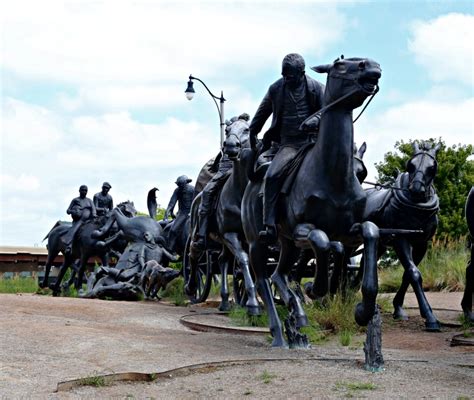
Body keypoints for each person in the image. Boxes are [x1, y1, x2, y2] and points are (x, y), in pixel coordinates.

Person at [249, 53, 325, 243]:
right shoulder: (276, 88)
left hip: (315, 141)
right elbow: (262, 112)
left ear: (302, 73)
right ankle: (270, 225)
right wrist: (253, 131)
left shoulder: (316, 88)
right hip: (289, 144)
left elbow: (328, 111)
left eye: (289, 76)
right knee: (272, 176)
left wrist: (315, 120)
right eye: (284, 75)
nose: (285, 79)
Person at [193, 113, 250, 251]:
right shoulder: (229, 143)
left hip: (246, 172)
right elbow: (218, 165)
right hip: (225, 172)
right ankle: (202, 234)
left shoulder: (249, 140)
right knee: (206, 192)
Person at [164, 175, 195, 252]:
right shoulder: (177, 191)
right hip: (182, 213)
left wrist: (193, 212)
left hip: (192, 212)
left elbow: (197, 201)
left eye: (181, 184)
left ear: (186, 183)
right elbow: (172, 203)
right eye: (179, 185)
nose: (180, 186)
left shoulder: (192, 189)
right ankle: (170, 248)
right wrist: (167, 212)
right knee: (173, 230)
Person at [63, 185, 97, 254]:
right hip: (78, 221)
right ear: (79, 191)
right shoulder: (75, 200)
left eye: (85, 190)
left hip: (89, 221)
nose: (84, 192)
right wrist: (74, 212)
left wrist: (94, 215)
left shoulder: (89, 201)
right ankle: (69, 245)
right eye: (83, 190)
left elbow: (94, 210)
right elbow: (68, 210)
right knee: (74, 230)